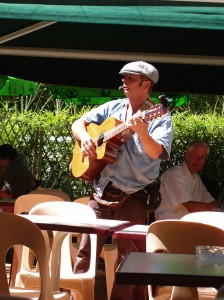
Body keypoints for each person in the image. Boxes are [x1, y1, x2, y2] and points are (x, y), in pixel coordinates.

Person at [71, 61, 173, 300]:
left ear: (145, 84)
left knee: (128, 257)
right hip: (102, 190)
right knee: (86, 250)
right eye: (124, 77)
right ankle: (77, 296)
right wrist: (86, 138)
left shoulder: (158, 116)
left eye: (129, 77)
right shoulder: (113, 108)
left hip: (135, 194)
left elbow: (157, 152)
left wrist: (142, 132)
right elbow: (78, 123)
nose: (123, 80)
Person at [155, 140, 221, 220]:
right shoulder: (174, 174)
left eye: (202, 157)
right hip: (170, 226)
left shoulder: (196, 178)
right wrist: (216, 206)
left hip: (188, 226)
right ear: (186, 155)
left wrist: (219, 206)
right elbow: (189, 206)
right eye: (195, 155)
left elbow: (210, 202)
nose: (199, 160)